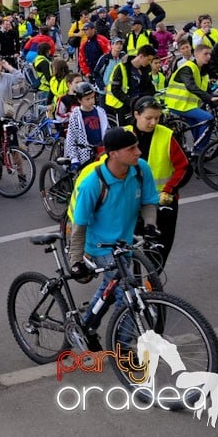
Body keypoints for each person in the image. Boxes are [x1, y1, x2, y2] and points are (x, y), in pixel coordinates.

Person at [67, 128, 158, 350]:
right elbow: (79, 226)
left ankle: (87, 325)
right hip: (100, 247)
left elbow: (148, 201)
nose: (139, 152)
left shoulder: (140, 170)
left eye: (137, 146)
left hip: (125, 245)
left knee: (111, 286)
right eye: (132, 149)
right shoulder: (93, 183)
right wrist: (76, 261)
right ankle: (122, 348)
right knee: (126, 295)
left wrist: (150, 225)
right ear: (114, 154)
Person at [126, 97, 191, 268]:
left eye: (157, 118)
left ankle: (151, 285)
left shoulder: (167, 136)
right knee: (126, 247)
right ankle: (125, 287)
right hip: (129, 199)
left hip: (161, 199)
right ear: (136, 115)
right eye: (148, 118)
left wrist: (169, 190)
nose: (153, 122)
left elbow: (184, 167)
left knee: (160, 247)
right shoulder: (124, 134)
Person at [163, 43, 218, 154]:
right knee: (208, 118)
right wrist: (209, 98)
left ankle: (195, 149)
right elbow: (191, 86)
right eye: (205, 54)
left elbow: (206, 90)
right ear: (196, 54)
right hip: (178, 104)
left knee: (199, 125)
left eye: (210, 54)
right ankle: (199, 150)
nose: (208, 56)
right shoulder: (187, 68)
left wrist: (217, 98)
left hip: (189, 105)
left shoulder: (203, 72)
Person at [64, 82, 108, 170]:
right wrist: (74, 158)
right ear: (79, 100)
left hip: (100, 151)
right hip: (84, 155)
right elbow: (71, 138)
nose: (91, 101)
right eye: (87, 99)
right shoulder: (76, 116)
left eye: (92, 97)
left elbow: (107, 129)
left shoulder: (100, 112)